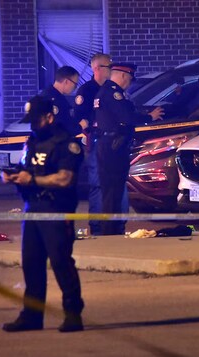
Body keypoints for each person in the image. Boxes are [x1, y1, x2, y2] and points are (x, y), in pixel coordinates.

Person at [1, 95, 85, 333]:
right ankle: (31, 316)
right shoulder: (32, 142)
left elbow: (65, 178)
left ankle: (72, 315)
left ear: (49, 117)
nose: (33, 125)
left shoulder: (66, 144)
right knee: (31, 264)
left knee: (61, 262)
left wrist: (34, 179)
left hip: (56, 209)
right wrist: (13, 175)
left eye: (37, 120)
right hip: (33, 209)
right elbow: (25, 168)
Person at [94, 63, 164, 235]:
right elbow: (127, 117)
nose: (129, 84)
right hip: (113, 146)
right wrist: (149, 117)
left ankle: (111, 228)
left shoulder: (106, 91)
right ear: (124, 76)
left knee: (112, 189)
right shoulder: (114, 93)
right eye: (130, 79)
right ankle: (110, 230)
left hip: (109, 144)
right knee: (113, 190)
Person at [73, 53, 112, 236]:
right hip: (94, 142)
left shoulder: (111, 89)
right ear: (97, 68)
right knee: (97, 184)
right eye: (107, 66)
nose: (111, 69)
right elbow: (81, 118)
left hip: (110, 142)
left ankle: (112, 224)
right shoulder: (86, 91)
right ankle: (96, 224)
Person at [40, 66, 81, 136]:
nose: (75, 88)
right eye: (75, 84)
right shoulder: (53, 100)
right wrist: (80, 126)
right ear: (67, 81)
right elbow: (62, 128)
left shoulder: (49, 95)